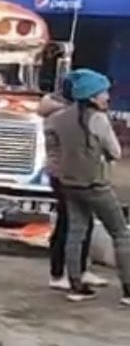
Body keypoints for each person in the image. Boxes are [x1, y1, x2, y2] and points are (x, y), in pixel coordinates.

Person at [47, 69, 130, 304]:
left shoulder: (58, 118)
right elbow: (114, 151)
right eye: (103, 92)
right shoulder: (98, 119)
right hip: (95, 183)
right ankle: (128, 289)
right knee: (120, 233)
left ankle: (75, 286)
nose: (107, 97)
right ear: (92, 96)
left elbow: (54, 149)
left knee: (76, 232)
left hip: (69, 183)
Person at [40, 74, 101, 291]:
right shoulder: (61, 116)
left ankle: (80, 269)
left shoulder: (71, 113)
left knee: (83, 222)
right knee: (67, 223)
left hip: (73, 171)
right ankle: (59, 273)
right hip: (63, 173)